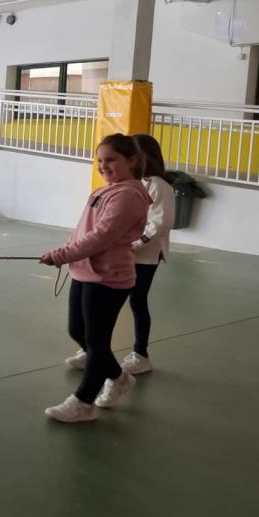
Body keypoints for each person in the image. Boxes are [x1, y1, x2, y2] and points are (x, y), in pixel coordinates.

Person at [40, 133, 151, 422]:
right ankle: (118, 378)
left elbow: (101, 237)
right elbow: (84, 230)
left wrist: (62, 255)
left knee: (97, 341)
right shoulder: (108, 190)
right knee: (78, 331)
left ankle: (83, 402)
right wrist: (65, 252)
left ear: (131, 160)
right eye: (100, 160)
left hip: (108, 278)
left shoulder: (128, 196)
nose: (103, 166)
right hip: (86, 271)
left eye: (111, 160)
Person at [122, 134, 176, 374]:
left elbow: (159, 223)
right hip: (127, 251)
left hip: (145, 254)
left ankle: (141, 355)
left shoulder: (158, 184)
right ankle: (92, 348)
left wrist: (133, 244)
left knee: (137, 300)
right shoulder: (134, 182)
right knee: (110, 300)